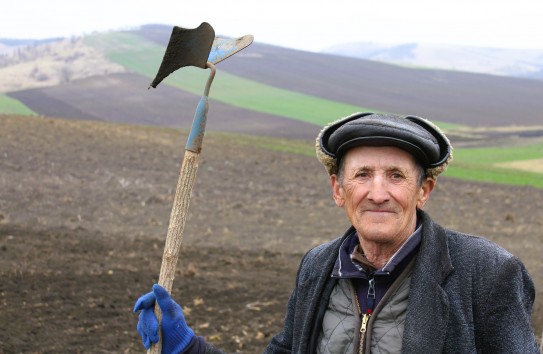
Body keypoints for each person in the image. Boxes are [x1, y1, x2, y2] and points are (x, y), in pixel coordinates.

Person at [134, 112, 539, 353]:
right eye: (363, 175)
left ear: (424, 190)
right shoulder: (318, 267)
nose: (378, 193)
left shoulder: (486, 273)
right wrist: (187, 346)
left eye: (396, 176)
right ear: (338, 190)